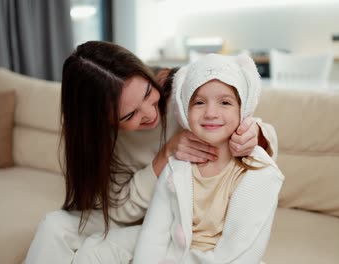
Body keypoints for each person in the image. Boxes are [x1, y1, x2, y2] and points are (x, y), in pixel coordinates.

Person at [24, 41, 278, 264]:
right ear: (103, 122)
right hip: (137, 217)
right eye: (129, 114)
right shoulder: (99, 141)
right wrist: (164, 157)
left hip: (176, 220)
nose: (149, 113)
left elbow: (251, 135)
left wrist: (254, 133)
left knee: (95, 251)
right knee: (54, 226)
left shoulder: (183, 95)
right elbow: (116, 212)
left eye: (148, 93)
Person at [132, 53, 284, 264]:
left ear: (243, 109)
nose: (211, 113)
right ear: (185, 110)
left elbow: (243, 251)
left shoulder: (260, 173)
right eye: (200, 102)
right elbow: (153, 235)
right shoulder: (177, 166)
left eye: (225, 102)